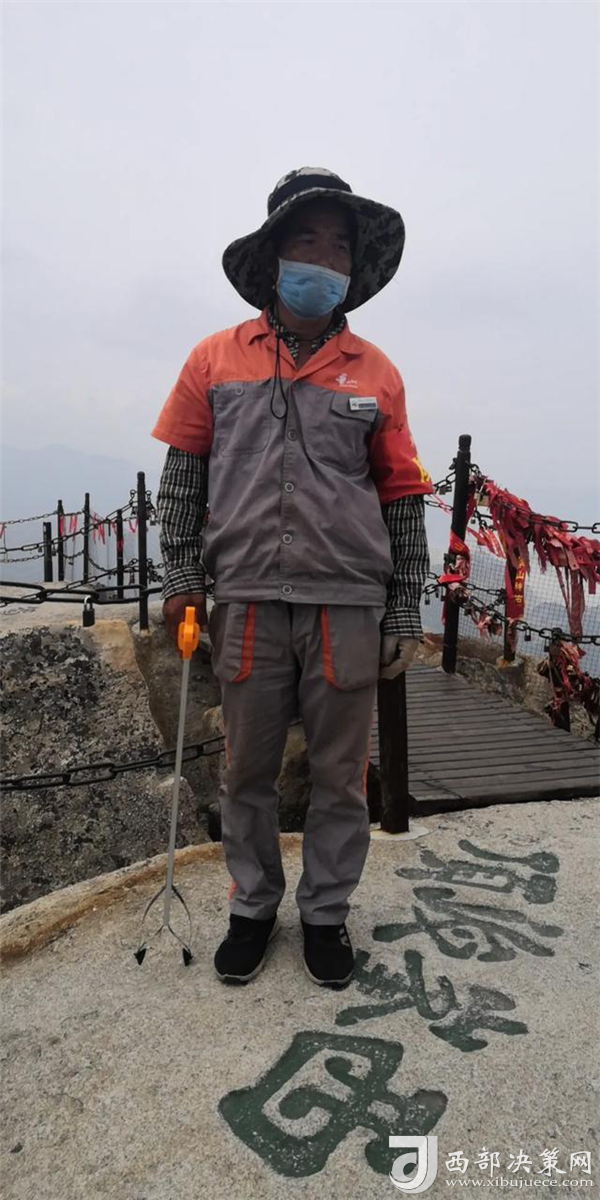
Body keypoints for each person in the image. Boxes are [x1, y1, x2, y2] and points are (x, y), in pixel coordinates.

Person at [151, 166, 434, 990]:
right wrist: (181, 575)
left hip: (347, 602)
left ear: (353, 266)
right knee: (247, 768)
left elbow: (401, 495)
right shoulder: (213, 359)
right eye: (306, 240)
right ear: (274, 254)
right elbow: (183, 480)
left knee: (341, 776)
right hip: (244, 599)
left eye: (338, 245)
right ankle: (251, 907)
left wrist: (404, 607)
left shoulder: (376, 372)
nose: (324, 257)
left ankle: (326, 914)